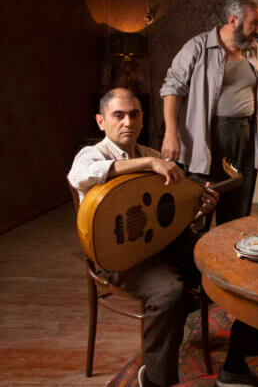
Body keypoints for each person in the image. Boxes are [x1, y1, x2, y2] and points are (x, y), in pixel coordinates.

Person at [68, 89, 220, 387]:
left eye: (134, 114)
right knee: (169, 292)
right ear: (101, 121)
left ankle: (237, 364)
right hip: (118, 257)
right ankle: (153, 380)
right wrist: (148, 165)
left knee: (220, 272)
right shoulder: (93, 154)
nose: (128, 122)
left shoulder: (152, 154)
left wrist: (199, 210)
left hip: (157, 246)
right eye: (118, 115)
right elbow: (79, 175)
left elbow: (169, 216)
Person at [160, 0, 258, 224]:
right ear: (233, 20)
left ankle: (230, 255)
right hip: (206, 136)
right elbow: (171, 89)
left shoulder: (257, 51)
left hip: (246, 136)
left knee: (238, 207)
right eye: (253, 23)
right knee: (199, 207)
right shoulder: (197, 48)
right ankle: (192, 257)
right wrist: (170, 134)